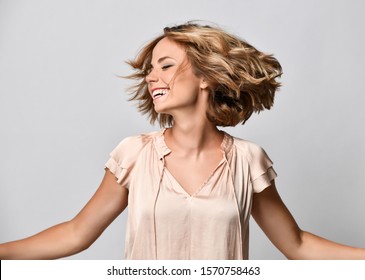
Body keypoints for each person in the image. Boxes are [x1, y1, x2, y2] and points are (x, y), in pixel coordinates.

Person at [0, 22, 364, 260]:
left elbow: (296, 244)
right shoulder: (134, 154)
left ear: (206, 77)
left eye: (165, 65)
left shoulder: (248, 160)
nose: (151, 77)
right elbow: (76, 233)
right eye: (149, 70)